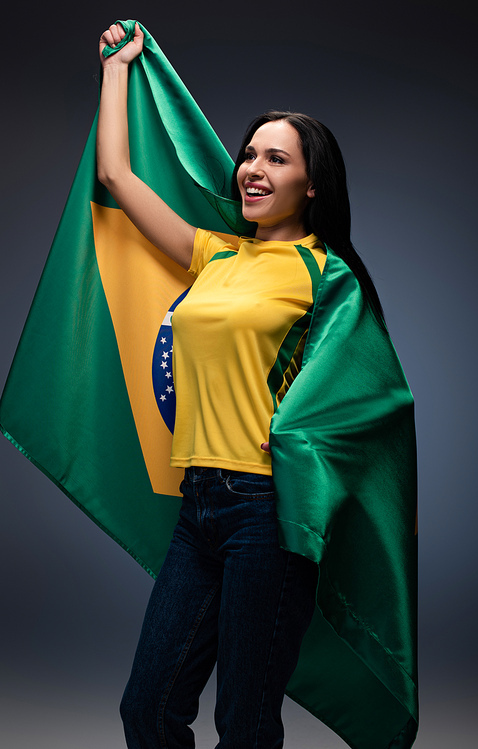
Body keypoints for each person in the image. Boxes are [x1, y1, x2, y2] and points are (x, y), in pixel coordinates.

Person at [97, 21, 389, 749]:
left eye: (276, 158)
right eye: (249, 154)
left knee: (245, 719)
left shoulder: (328, 276)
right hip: (198, 505)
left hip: (265, 507)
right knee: (148, 706)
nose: (253, 168)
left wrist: (296, 434)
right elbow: (116, 177)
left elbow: (366, 398)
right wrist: (117, 66)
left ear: (311, 182)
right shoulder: (215, 255)